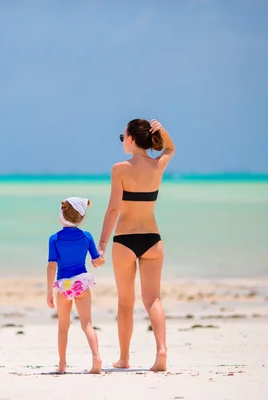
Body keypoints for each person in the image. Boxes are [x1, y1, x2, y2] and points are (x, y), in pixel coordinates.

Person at [97, 118, 175, 372]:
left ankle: (124, 358)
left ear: (131, 139)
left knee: (125, 302)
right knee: (153, 299)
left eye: (123, 137)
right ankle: (161, 350)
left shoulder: (120, 168)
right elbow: (171, 149)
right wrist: (161, 130)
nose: (123, 141)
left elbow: (113, 209)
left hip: (125, 240)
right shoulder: (157, 166)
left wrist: (101, 244)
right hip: (153, 239)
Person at [46, 196, 105, 374]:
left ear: (62, 215)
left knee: (63, 325)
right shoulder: (86, 236)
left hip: (64, 285)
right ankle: (96, 358)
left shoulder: (54, 238)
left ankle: (62, 364)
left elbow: (51, 265)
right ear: (80, 217)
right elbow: (98, 260)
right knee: (87, 323)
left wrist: (49, 291)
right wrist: (100, 259)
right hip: (82, 283)